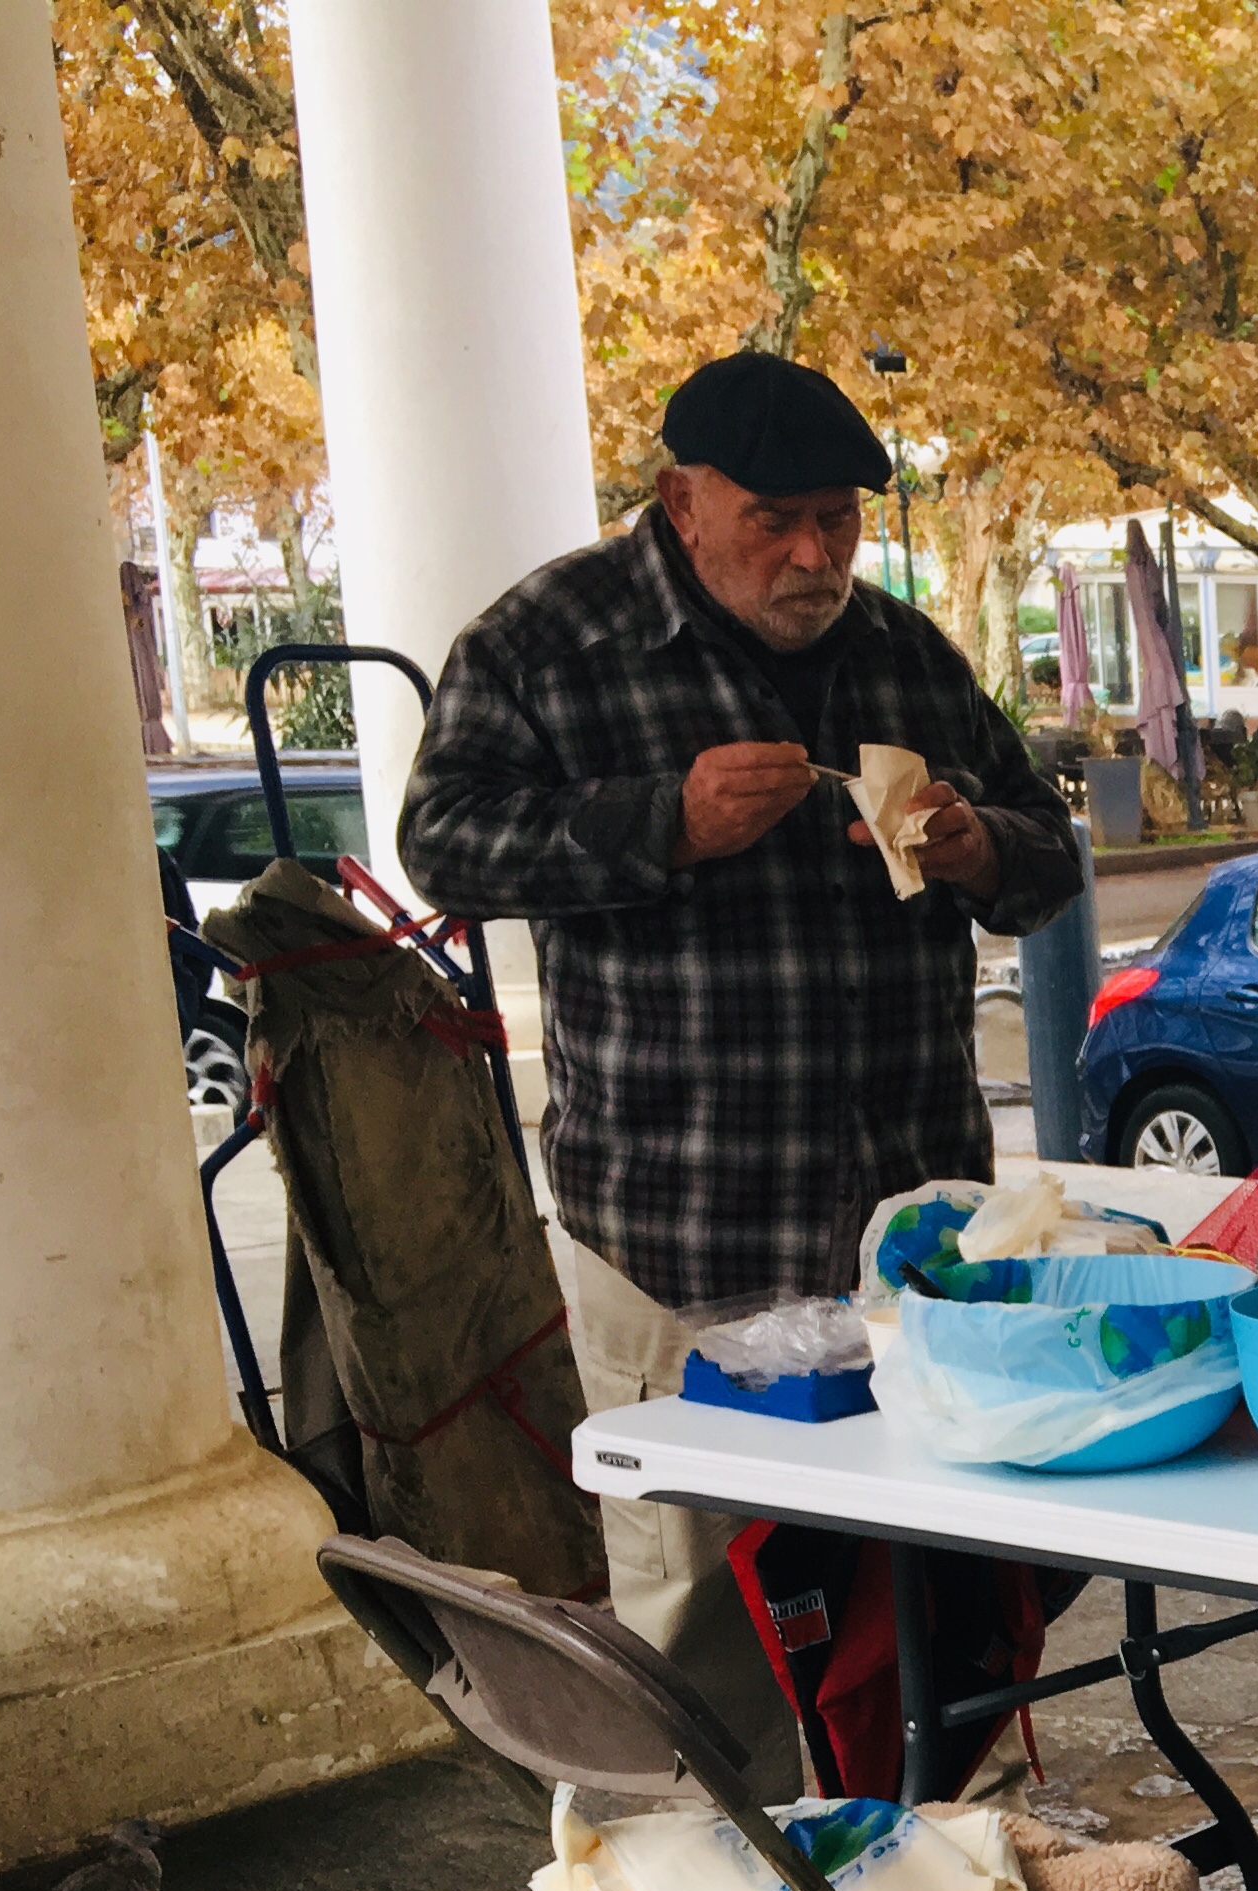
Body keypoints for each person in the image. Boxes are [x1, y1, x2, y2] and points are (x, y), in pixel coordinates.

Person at [402, 351, 1084, 1783]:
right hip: (683, 1229)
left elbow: (1046, 856)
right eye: (776, 521)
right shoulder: (549, 641)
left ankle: (913, 1857)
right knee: (699, 1619)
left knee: (924, 1593)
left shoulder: (905, 653)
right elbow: (443, 845)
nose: (814, 557)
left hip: (906, 1239)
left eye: (839, 521)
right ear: (683, 502)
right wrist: (663, 821)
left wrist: (980, 848)